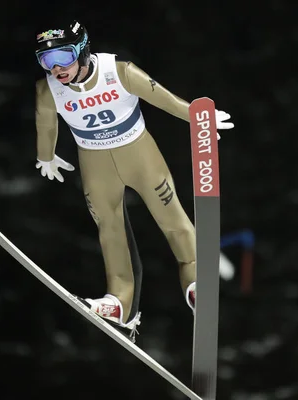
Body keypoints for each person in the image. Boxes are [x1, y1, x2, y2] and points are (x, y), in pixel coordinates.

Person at [33, 19, 234, 338]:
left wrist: (198, 117)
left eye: (63, 58)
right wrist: (46, 155)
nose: (56, 68)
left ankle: (196, 278)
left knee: (171, 219)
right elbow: (46, 124)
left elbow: (164, 99)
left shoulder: (119, 72)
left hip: (138, 155)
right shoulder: (49, 89)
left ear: (83, 51)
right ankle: (120, 302)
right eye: (46, 61)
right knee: (109, 229)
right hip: (95, 162)